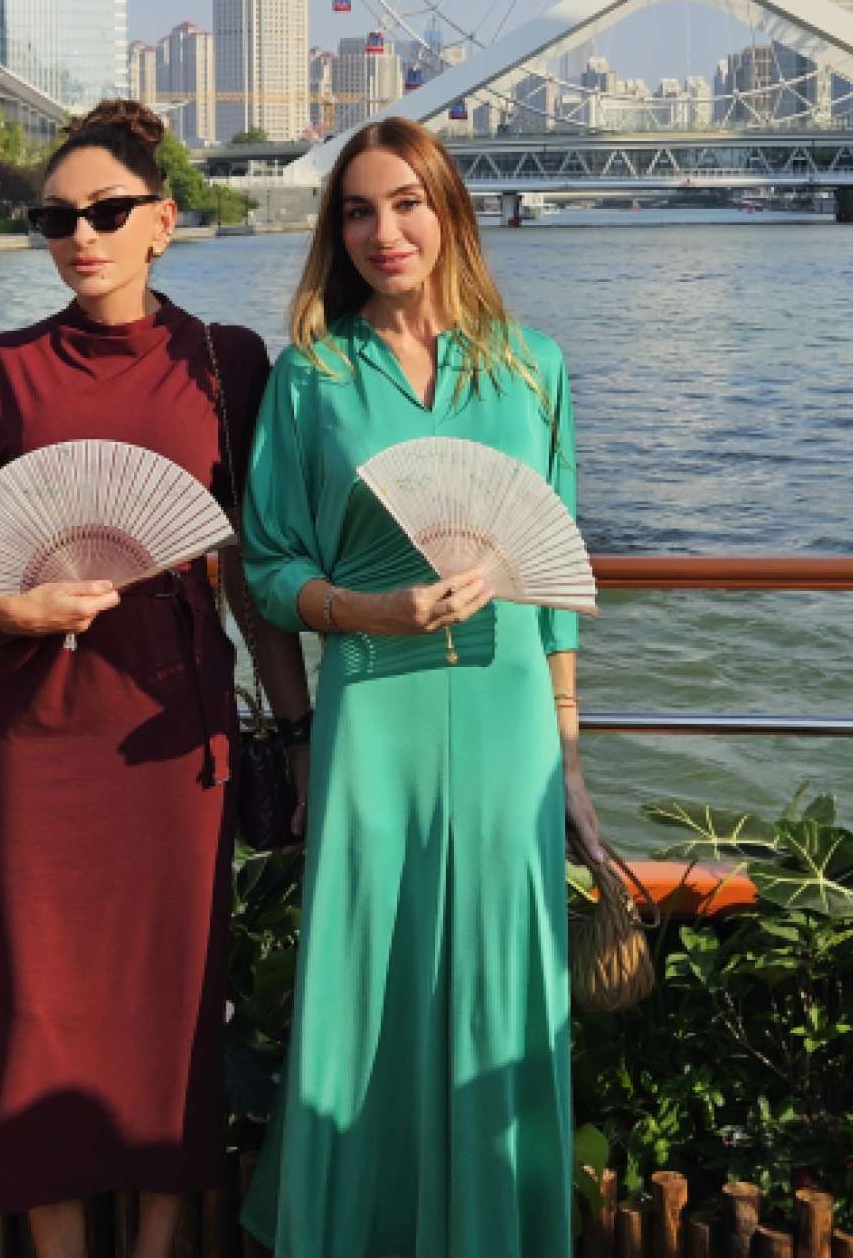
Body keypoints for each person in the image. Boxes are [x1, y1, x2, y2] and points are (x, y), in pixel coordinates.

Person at [0, 101, 310, 1258]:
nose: (81, 235)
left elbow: (248, 576)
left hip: (178, 728)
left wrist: (297, 731)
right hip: (43, 728)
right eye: (55, 219)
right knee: (43, 1005)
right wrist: (8, 603)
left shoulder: (227, 361)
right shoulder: (3, 368)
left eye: (107, 212)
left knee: (178, 995)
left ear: (162, 222)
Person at [239, 117, 605, 1258]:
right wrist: (370, 610)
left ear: (448, 211)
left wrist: (570, 757)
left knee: (503, 977)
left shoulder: (533, 366)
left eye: (406, 202)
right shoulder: (310, 376)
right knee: (366, 983)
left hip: (509, 717)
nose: (383, 230)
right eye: (357, 210)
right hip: (370, 710)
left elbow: (554, 574)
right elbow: (268, 565)